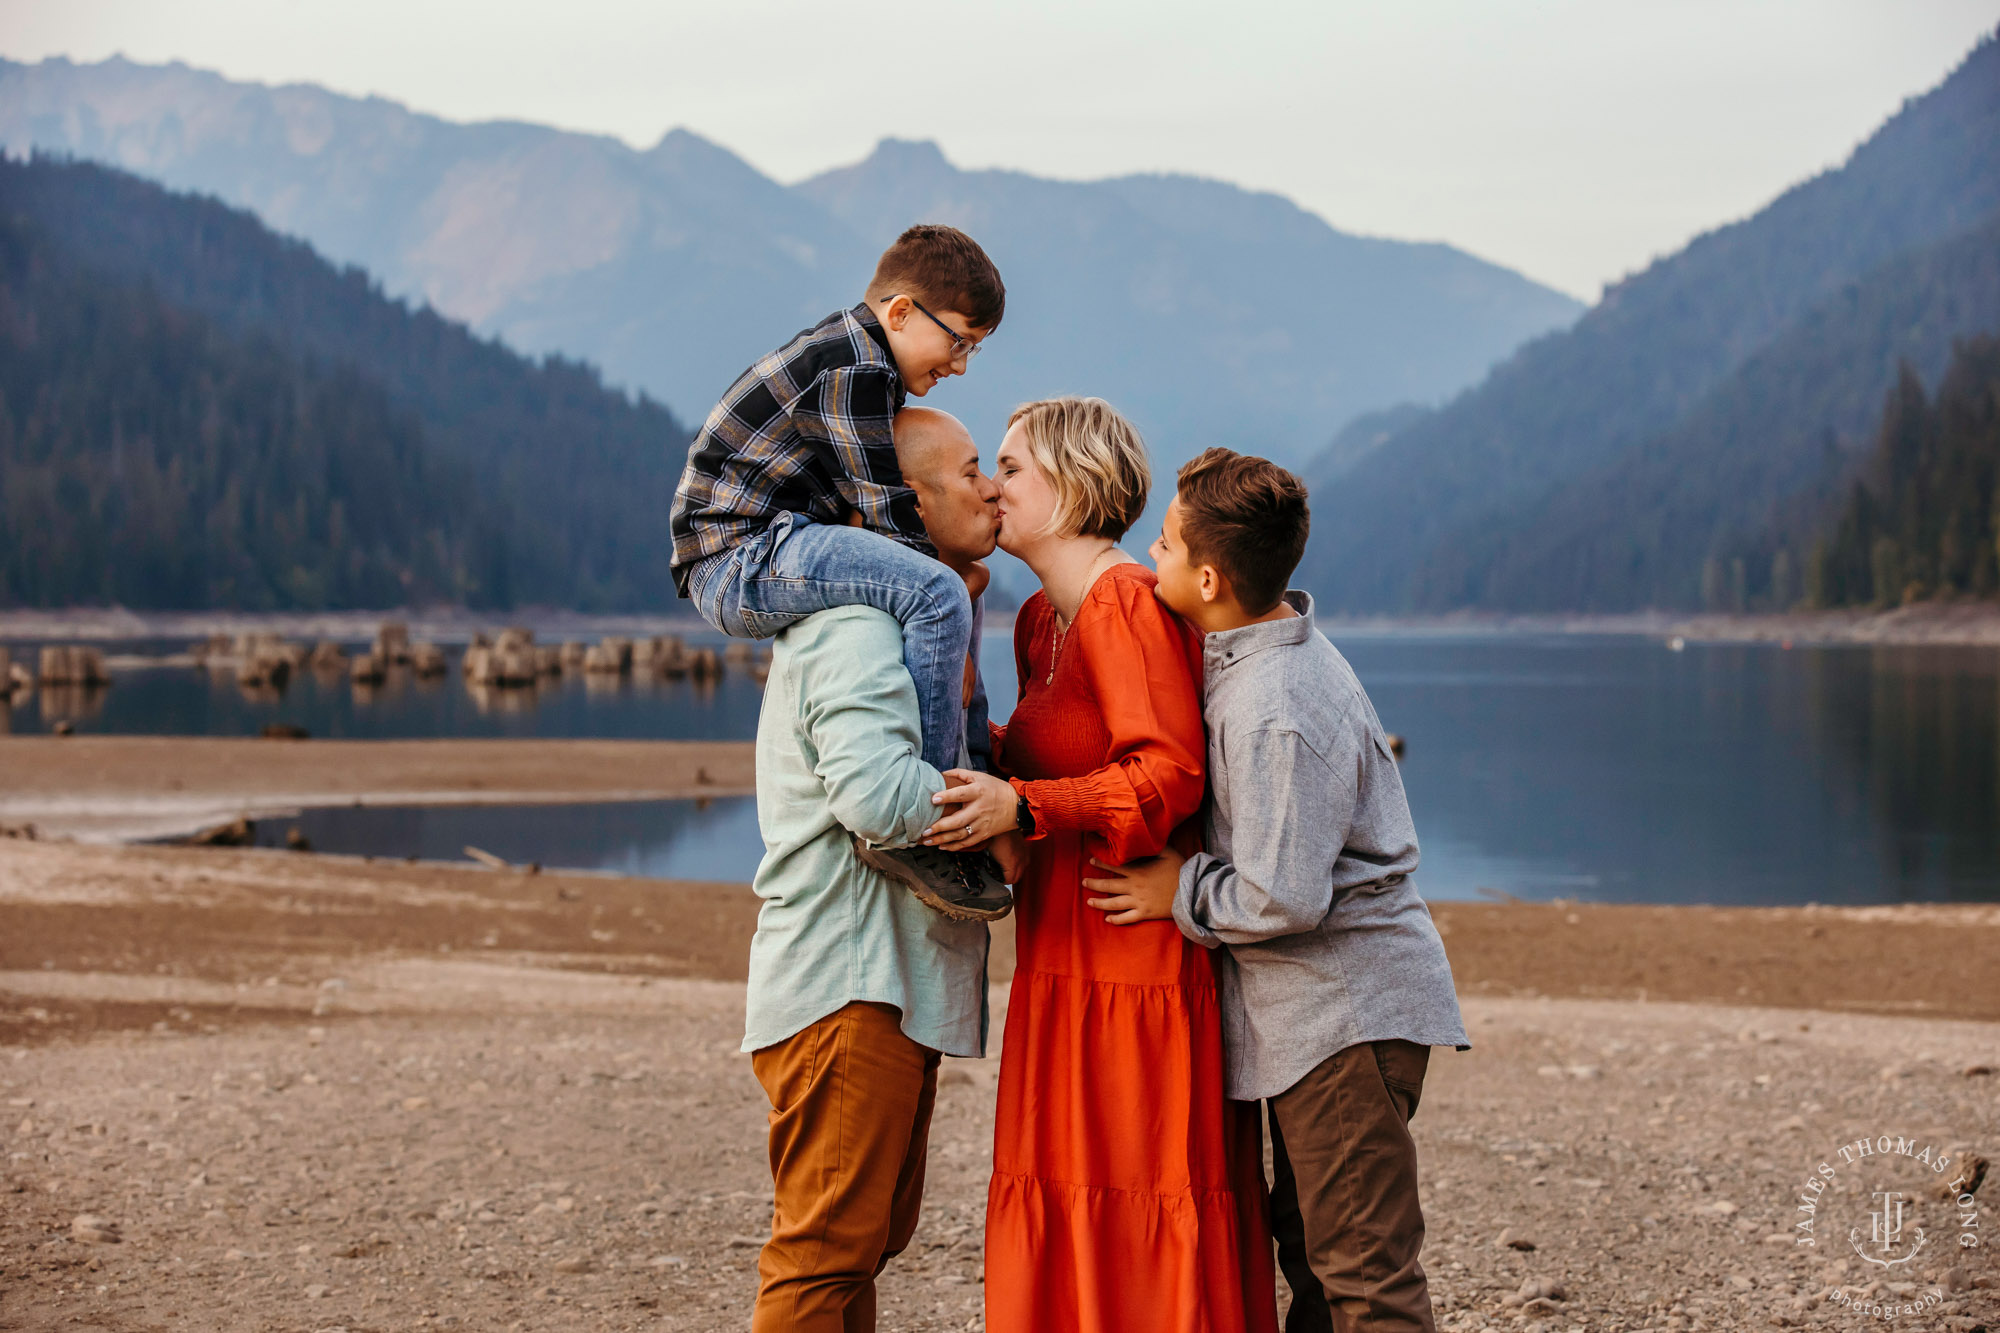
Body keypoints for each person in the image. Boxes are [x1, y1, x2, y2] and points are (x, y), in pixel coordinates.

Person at [1081, 447, 1469, 1333]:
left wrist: (1178, 888)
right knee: (1315, 1259)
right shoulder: (1248, 660)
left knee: (1362, 1275)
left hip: (1344, 1018)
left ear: (1210, 578)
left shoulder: (1276, 706)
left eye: (1168, 545)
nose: (1152, 555)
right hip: (1317, 1024)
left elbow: (1280, 897)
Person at [921, 399, 1277, 1333]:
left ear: (1075, 487)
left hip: (1135, 954)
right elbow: (1049, 751)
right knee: (1063, 1179)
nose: (993, 486)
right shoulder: (1039, 616)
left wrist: (1027, 806)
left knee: (1141, 1186)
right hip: (1060, 947)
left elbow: (1167, 772)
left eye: (1012, 466)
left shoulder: (1124, 601)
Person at [741, 406, 1020, 1333]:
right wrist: (989, 806)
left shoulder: (905, 623)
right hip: (849, 987)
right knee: (824, 1257)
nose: (991, 488)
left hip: (874, 988)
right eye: (974, 470)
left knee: (855, 1250)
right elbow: (876, 799)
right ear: (900, 503)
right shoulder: (858, 622)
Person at [670, 223, 1011, 918]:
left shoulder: (855, 359)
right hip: (741, 555)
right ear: (902, 313)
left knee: (945, 591)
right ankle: (936, 806)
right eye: (960, 341)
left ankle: (962, 776)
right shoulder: (856, 368)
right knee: (939, 590)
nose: (963, 364)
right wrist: (956, 582)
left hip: (768, 543)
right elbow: (888, 511)